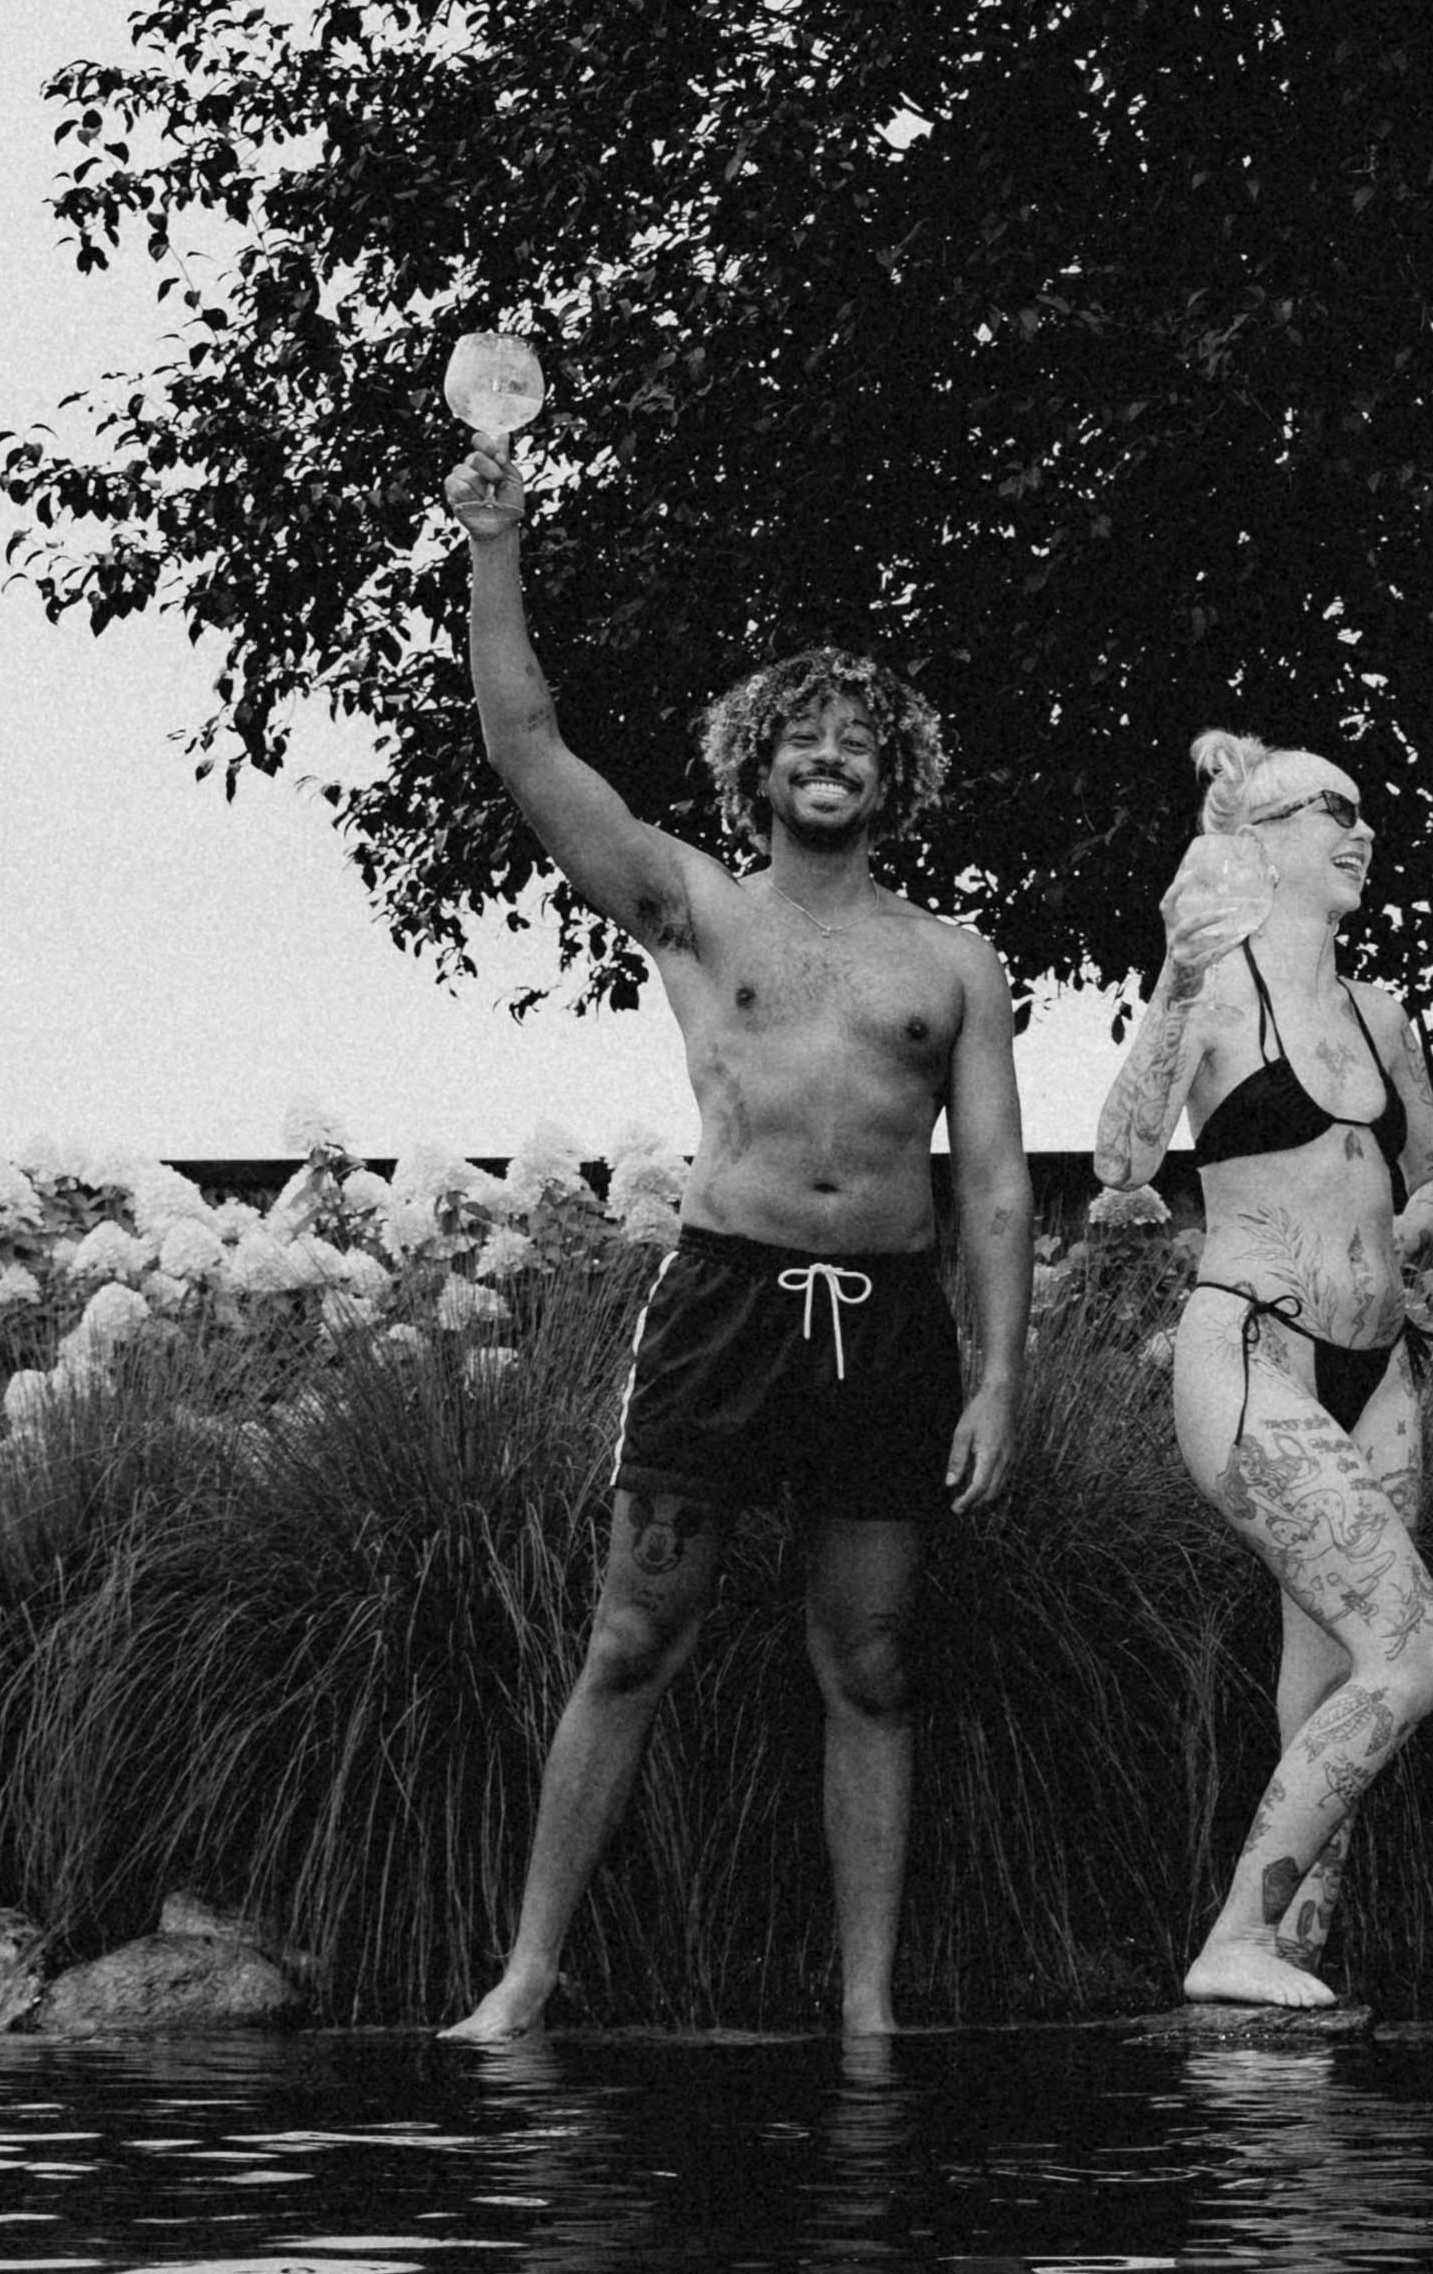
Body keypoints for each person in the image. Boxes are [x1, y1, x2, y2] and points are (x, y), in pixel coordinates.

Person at [431, 445, 1031, 2045]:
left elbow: (989, 1186)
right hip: (727, 1304)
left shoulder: (952, 958)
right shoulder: (697, 907)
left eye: (859, 744)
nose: (830, 758)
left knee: (874, 1662)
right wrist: (497, 545)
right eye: (802, 741)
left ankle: (866, 2011)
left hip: (888, 1324)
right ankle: (528, 1975)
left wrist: (998, 1380)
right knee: (634, 1630)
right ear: (756, 771)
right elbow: (527, 743)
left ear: (894, 779)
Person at [1091, 729, 1433, 2007]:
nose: (1362, 832)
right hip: (1257, 1349)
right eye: (1334, 812)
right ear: (1261, 838)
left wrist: (1403, 1228)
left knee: (1335, 1685)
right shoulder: (1210, 992)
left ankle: (1292, 1964)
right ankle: (1236, 1941)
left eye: (1367, 813)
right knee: (1412, 1652)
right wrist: (1166, 978)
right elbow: (1123, 1159)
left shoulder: (1380, 1015)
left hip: (1383, 1373)